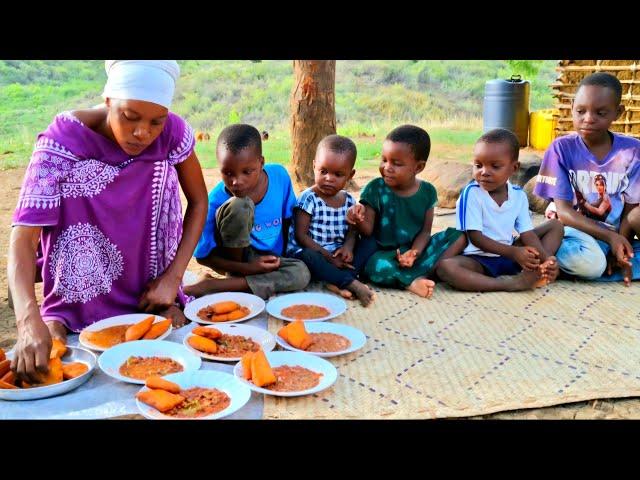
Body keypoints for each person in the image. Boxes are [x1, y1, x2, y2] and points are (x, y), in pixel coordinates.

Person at [8, 60, 208, 383]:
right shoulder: (62, 140)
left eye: (156, 121)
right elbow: (24, 236)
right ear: (108, 101)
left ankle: (154, 305)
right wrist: (27, 319)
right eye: (130, 117)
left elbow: (199, 201)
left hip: (149, 287)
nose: (142, 132)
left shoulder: (171, 133)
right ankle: (65, 315)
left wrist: (173, 278)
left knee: (158, 166)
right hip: (78, 287)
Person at [534, 72, 640, 285]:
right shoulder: (561, 149)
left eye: (600, 113)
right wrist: (610, 238)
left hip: (614, 234)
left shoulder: (632, 151)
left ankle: (610, 261)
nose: (588, 119)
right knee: (591, 264)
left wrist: (619, 246)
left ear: (618, 113)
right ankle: (544, 255)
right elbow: (563, 212)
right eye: (580, 111)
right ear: (572, 106)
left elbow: (631, 210)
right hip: (572, 232)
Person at [186, 124, 310, 299]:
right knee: (240, 205)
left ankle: (216, 285)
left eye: (247, 172)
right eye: (228, 173)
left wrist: (280, 259)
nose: (237, 181)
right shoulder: (213, 201)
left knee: (301, 273)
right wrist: (248, 268)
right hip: (234, 262)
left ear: (261, 163)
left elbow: (289, 220)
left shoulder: (279, 177)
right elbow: (202, 257)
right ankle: (233, 280)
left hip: (268, 258)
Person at [436, 128, 563, 291]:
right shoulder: (472, 193)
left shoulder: (518, 195)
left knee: (556, 226)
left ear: (514, 168)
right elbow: (475, 238)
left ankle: (542, 269)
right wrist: (514, 253)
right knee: (446, 268)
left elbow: (527, 234)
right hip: (479, 259)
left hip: (510, 254)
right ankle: (511, 283)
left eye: (495, 166)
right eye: (478, 165)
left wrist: (547, 259)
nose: (484, 172)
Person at [347, 125, 462, 298]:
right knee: (374, 266)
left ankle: (415, 273)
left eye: (396, 163)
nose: (387, 167)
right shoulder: (375, 188)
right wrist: (358, 218)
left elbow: (425, 232)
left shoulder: (428, 192)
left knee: (459, 236)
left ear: (418, 167)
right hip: (385, 254)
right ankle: (412, 281)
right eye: (384, 160)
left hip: (415, 251)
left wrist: (414, 253)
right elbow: (367, 231)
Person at [288, 134, 377, 306]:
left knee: (370, 241)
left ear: (350, 175)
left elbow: (352, 230)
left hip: (337, 256)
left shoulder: (349, 201)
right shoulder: (309, 199)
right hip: (315, 254)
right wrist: (329, 257)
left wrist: (348, 247)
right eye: (323, 171)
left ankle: (335, 281)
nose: (329, 178)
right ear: (314, 166)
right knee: (308, 256)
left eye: (338, 174)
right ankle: (350, 282)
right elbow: (301, 236)